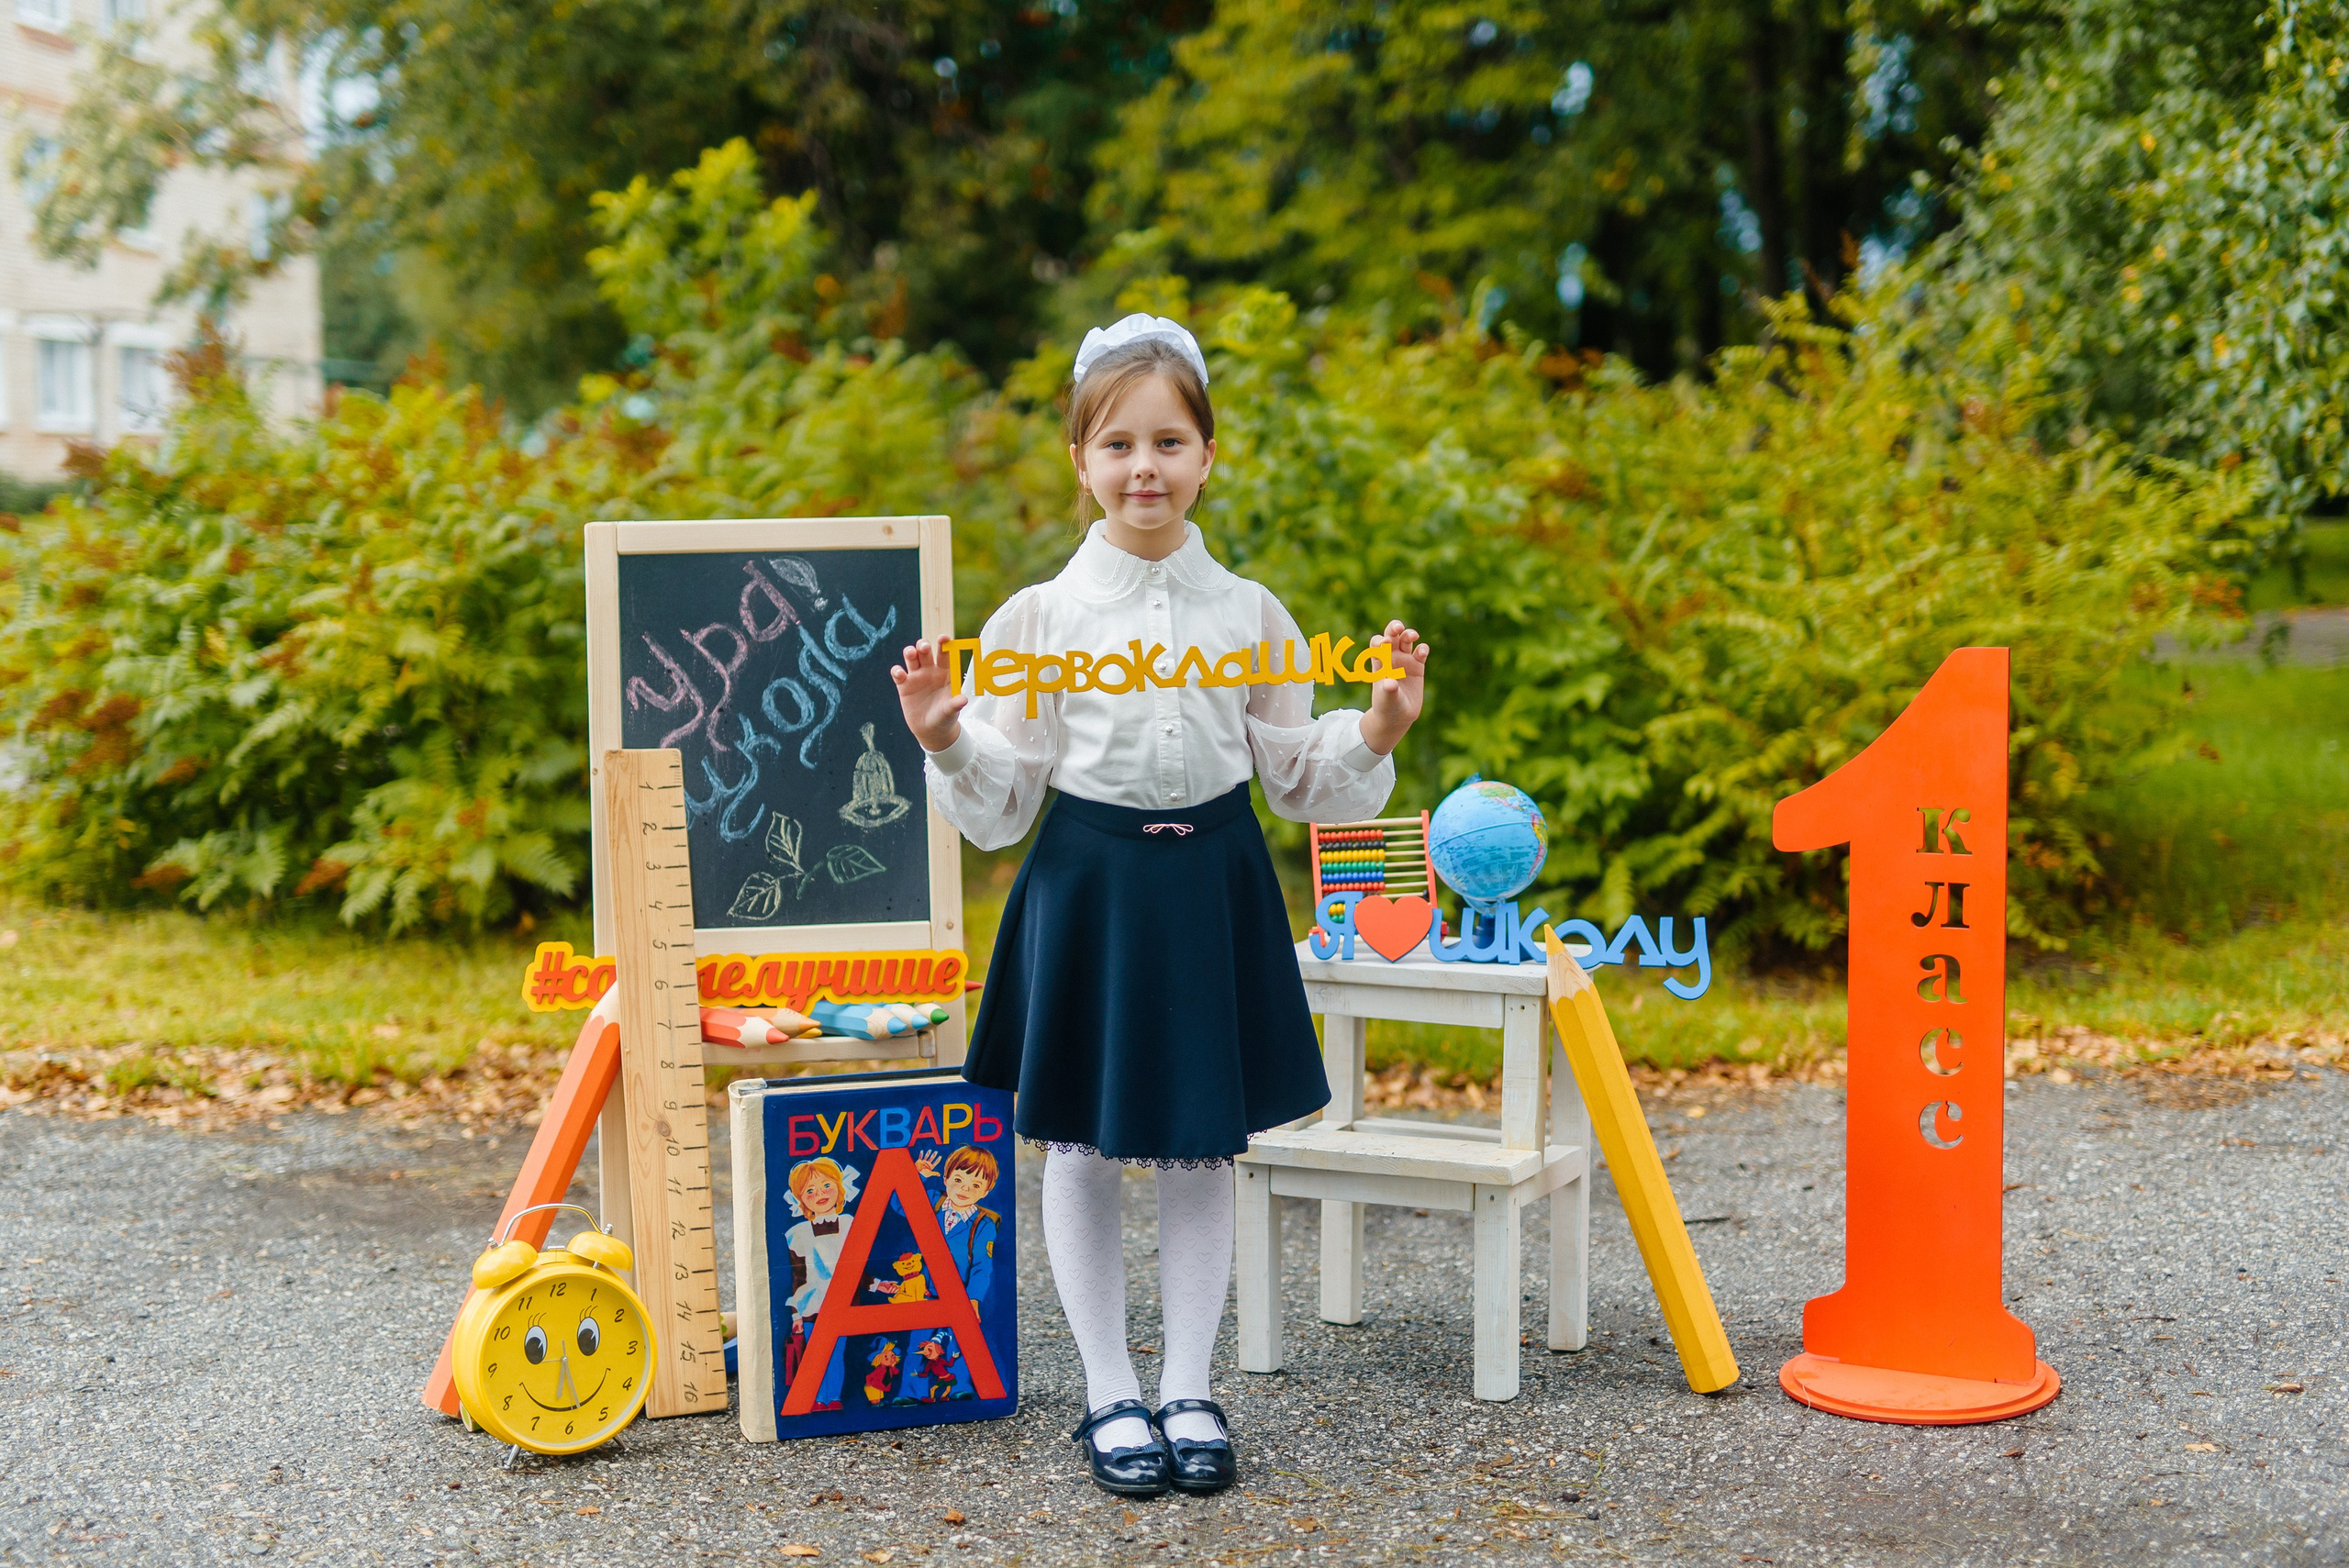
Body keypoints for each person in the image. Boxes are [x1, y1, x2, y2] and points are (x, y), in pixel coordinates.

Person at [891, 313, 1428, 1498]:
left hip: (1212, 884)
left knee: (1200, 1144)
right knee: (1078, 1139)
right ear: (1080, 458)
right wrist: (942, 735)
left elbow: (1297, 774)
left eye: (1169, 440)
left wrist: (1380, 722)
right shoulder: (1038, 617)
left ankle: (1188, 1382)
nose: (1146, 465)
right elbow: (1002, 797)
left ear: (1206, 454)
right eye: (1120, 442)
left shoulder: (1251, 612)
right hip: (1089, 884)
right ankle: (1108, 1389)